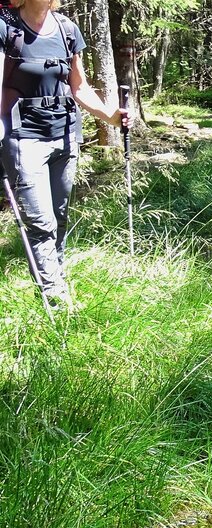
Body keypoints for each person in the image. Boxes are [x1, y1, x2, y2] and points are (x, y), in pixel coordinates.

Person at [0, 0, 129, 310]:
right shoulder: (6, 27)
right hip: (23, 138)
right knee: (40, 222)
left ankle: (51, 284)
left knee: (57, 218)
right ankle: (57, 302)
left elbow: (80, 87)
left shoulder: (67, 29)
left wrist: (111, 116)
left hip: (65, 136)